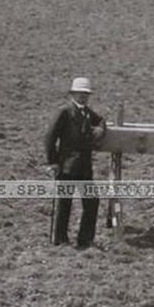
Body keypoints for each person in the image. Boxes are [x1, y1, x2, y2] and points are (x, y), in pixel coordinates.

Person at [45, 77, 107, 249]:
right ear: (73, 93)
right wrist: (53, 162)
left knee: (92, 202)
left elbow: (101, 120)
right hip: (67, 167)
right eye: (80, 93)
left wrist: (101, 129)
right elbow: (50, 138)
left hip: (85, 168)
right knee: (65, 203)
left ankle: (85, 239)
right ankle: (60, 239)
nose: (83, 96)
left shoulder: (87, 112)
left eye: (86, 94)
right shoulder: (64, 112)